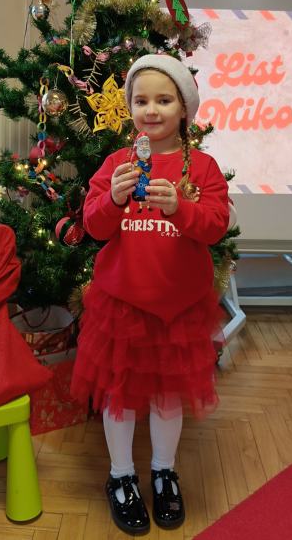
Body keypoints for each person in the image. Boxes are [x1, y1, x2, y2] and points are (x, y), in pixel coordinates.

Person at [71, 53, 232, 535]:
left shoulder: (202, 167)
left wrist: (181, 208)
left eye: (164, 100)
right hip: (123, 304)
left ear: (184, 109)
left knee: (167, 395)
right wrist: (113, 198)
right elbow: (94, 225)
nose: (152, 110)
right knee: (119, 396)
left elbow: (215, 227)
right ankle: (121, 475)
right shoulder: (115, 164)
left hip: (179, 307)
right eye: (141, 101)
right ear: (130, 108)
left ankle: (164, 471)